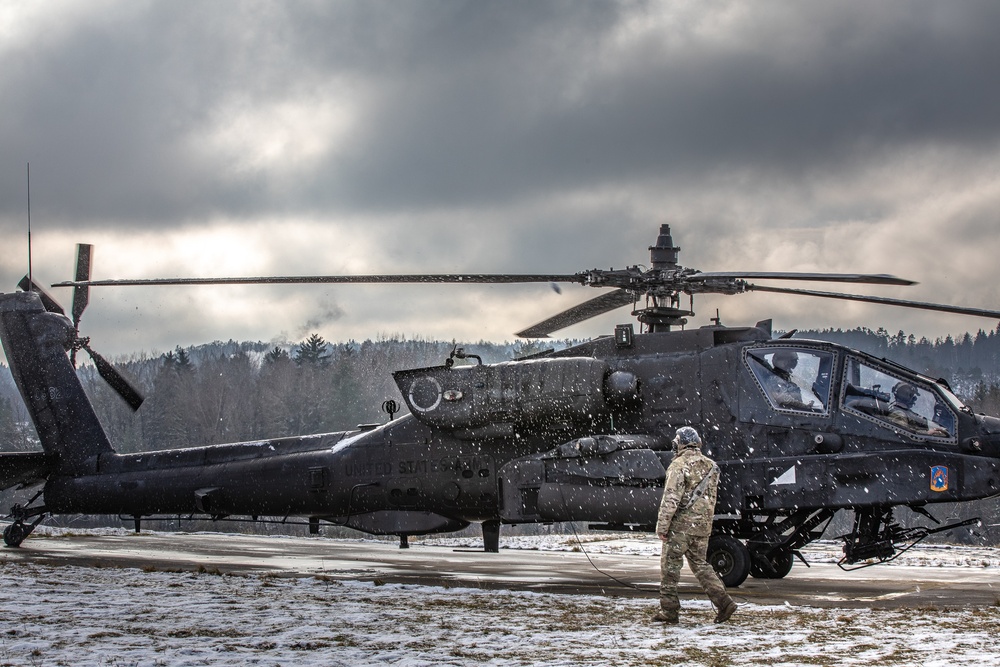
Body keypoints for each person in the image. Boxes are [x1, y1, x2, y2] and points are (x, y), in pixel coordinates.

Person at [653, 426, 737, 624]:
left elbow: (671, 499)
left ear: (680, 443)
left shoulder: (678, 465)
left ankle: (669, 611)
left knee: (670, 567)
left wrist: (662, 527)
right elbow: (711, 499)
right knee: (701, 566)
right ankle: (724, 602)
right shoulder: (712, 466)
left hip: (680, 527)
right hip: (702, 526)